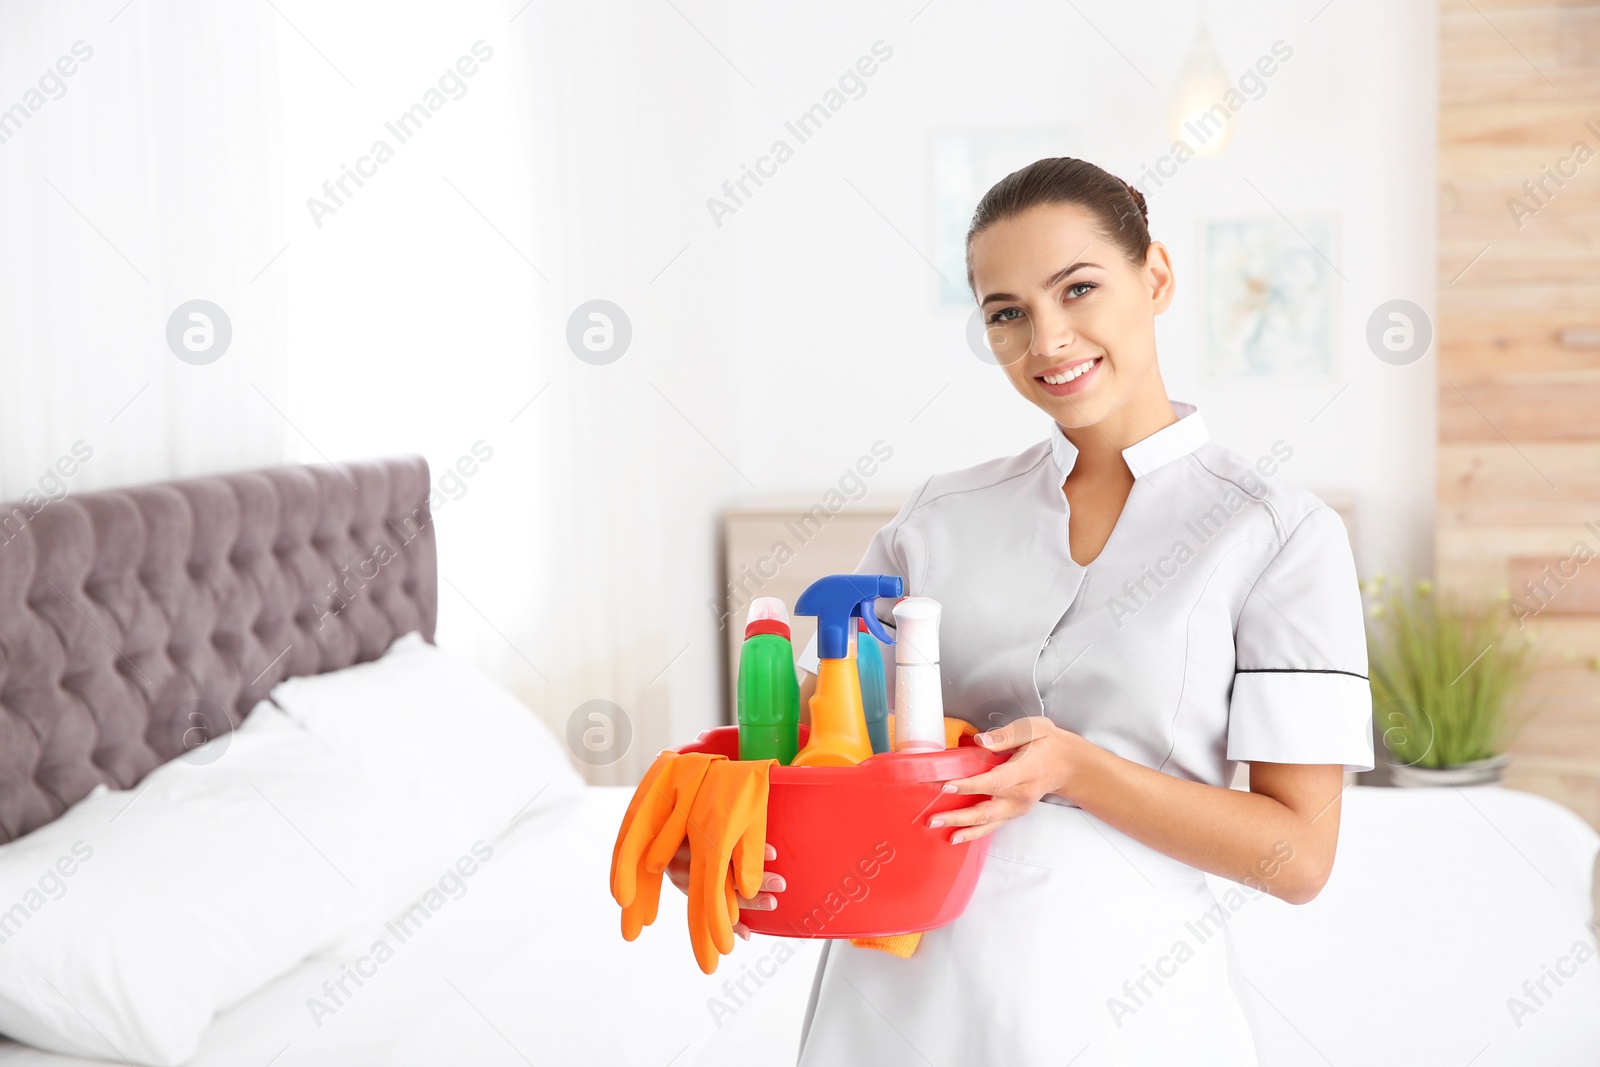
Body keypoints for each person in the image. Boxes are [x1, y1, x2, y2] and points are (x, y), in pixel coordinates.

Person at [672, 156, 1374, 1065]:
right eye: (1007, 313)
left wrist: (1075, 767)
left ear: (1155, 275)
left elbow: (1298, 858)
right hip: (897, 995)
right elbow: (833, 753)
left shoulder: (1276, 534)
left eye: (1078, 289)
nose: (1047, 340)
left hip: (1126, 999)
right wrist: (731, 818)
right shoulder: (936, 521)